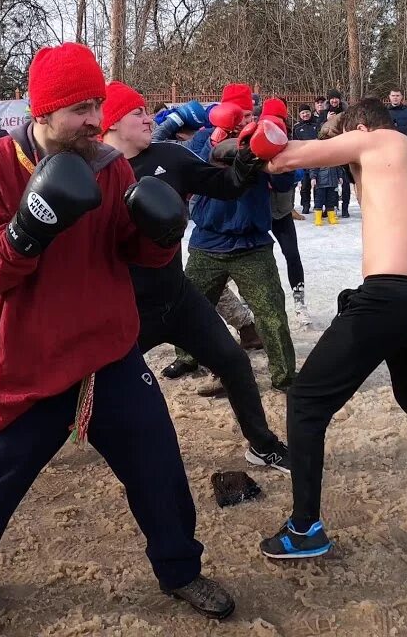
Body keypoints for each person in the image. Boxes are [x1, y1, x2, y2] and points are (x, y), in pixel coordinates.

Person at [0, 43, 233, 624]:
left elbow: (132, 251)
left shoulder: (109, 164)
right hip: (25, 354)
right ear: (42, 113)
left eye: (97, 104)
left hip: (104, 349)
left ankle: (181, 570)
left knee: (158, 463)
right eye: (80, 109)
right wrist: (32, 224)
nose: (95, 120)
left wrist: (162, 231)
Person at [257, 100, 407, 560]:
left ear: (362, 128)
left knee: (306, 402)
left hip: (388, 298)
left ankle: (306, 527)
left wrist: (244, 137)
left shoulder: (374, 140)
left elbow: (281, 157)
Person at [100, 80, 290, 471]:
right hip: (129, 307)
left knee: (234, 362)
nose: (150, 118)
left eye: (147, 110)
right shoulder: (93, 171)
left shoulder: (170, 156)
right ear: (113, 122)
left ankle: (262, 443)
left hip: (178, 296)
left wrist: (248, 159)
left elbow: (226, 186)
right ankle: (67, 428)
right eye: (138, 113)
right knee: (101, 381)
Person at [173, 105, 300, 392]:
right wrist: (216, 144)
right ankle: (187, 357)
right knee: (189, 306)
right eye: (241, 116)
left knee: (270, 311)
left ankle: (284, 375)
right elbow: (190, 168)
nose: (247, 120)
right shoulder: (204, 137)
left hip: (251, 243)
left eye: (250, 116)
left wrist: (270, 147)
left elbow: (285, 180)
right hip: (207, 241)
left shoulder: (261, 139)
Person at [260, 99, 309, 322]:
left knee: (292, 255)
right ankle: (249, 305)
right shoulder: (251, 141)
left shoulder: (289, 144)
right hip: (256, 213)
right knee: (251, 259)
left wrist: (285, 174)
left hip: (281, 210)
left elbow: (296, 174)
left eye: (280, 121)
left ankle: (300, 302)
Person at [292, 104, 320, 213]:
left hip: (316, 158)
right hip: (303, 160)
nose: (305, 115)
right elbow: (294, 144)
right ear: (300, 115)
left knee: (317, 184)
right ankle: (305, 204)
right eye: (303, 113)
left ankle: (318, 205)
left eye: (307, 112)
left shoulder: (316, 125)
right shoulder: (297, 127)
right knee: (305, 186)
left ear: (310, 112)